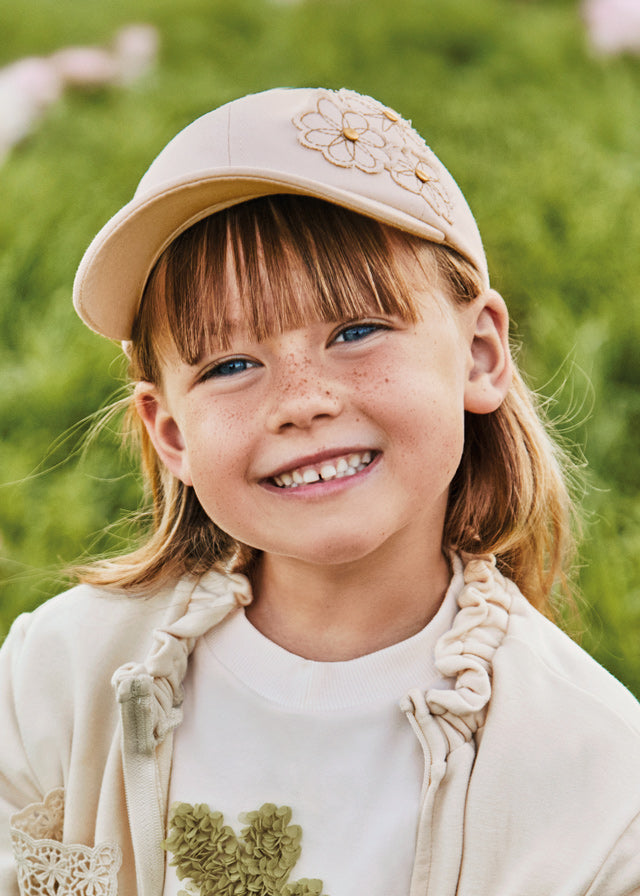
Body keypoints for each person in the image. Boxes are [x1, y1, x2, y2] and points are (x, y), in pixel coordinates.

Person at [1, 86, 639, 896]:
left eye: (355, 331)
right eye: (230, 365)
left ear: (479, 354)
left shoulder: (598, 780)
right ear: (171, 434)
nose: (302, 400)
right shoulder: (57, 679)